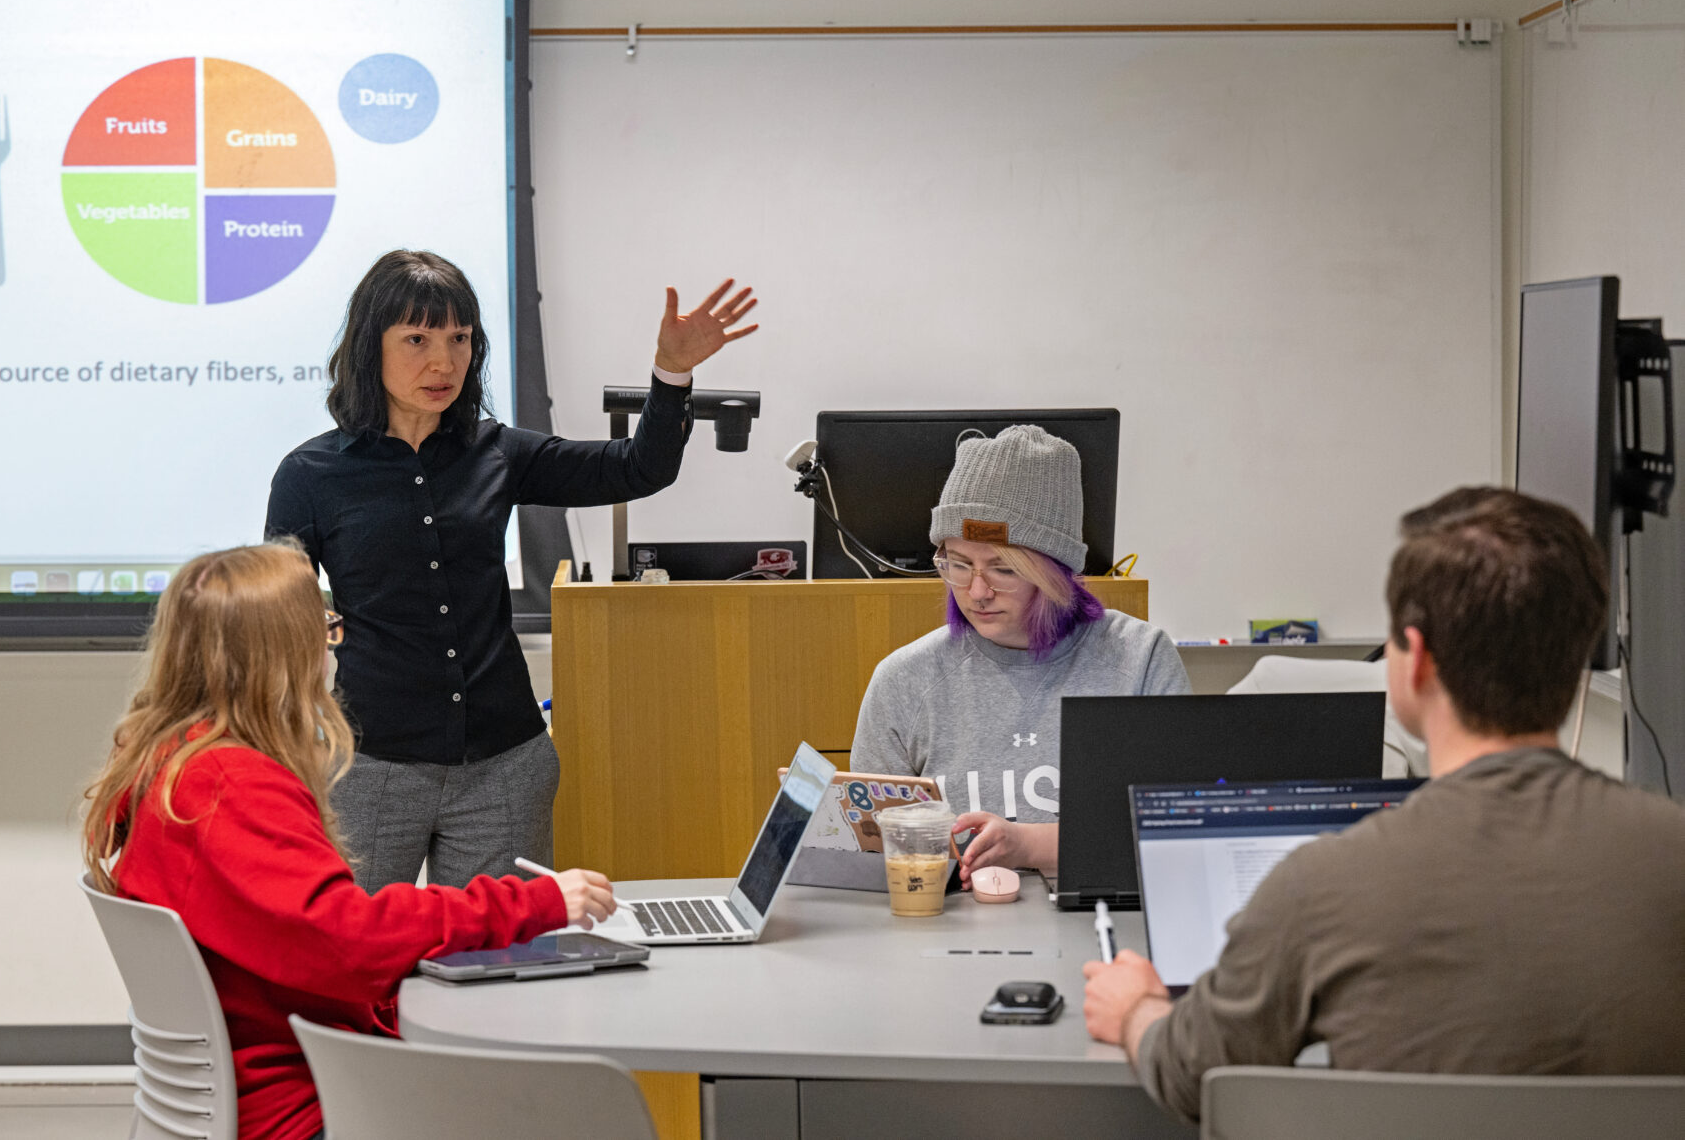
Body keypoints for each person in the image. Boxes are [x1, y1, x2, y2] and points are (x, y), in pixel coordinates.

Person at [1082, 487, 1685, 1125]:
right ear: (1578, 656)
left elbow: (1191, 1072)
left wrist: (1137, 1010)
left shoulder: (1319, 887)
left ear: (1415, 660)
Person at [82, 542, 616, 1140]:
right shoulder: (231, 784)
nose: (331, 648)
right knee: (576, 1105)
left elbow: (313, 941)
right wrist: (533, 903)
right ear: (283, 654)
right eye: (325, 628)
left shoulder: (169, 762)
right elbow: (348, 940)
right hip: (307, 1100)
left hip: (271, 1076)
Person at [266, 250, 756, 891]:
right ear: (369, 347)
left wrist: (672, 373)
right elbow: (270, 626)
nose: (443, 362)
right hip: (370, 766)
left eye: (459, 339)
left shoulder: (497, 451)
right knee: (355, 965)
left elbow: (639, 468)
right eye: (416, 339)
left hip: (504, 766)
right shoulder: (310, 476)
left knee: (502, 970)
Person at [850, 425, 1189, 881]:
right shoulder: (905, 680)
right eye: (958, 563)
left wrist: (1025, 844)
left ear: (1055, 572)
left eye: (1003, 568)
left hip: (1100, 927)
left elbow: (1181, 830)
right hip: (947, 934)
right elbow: (872, 851)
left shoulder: (1140, 660)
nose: (977, 591)